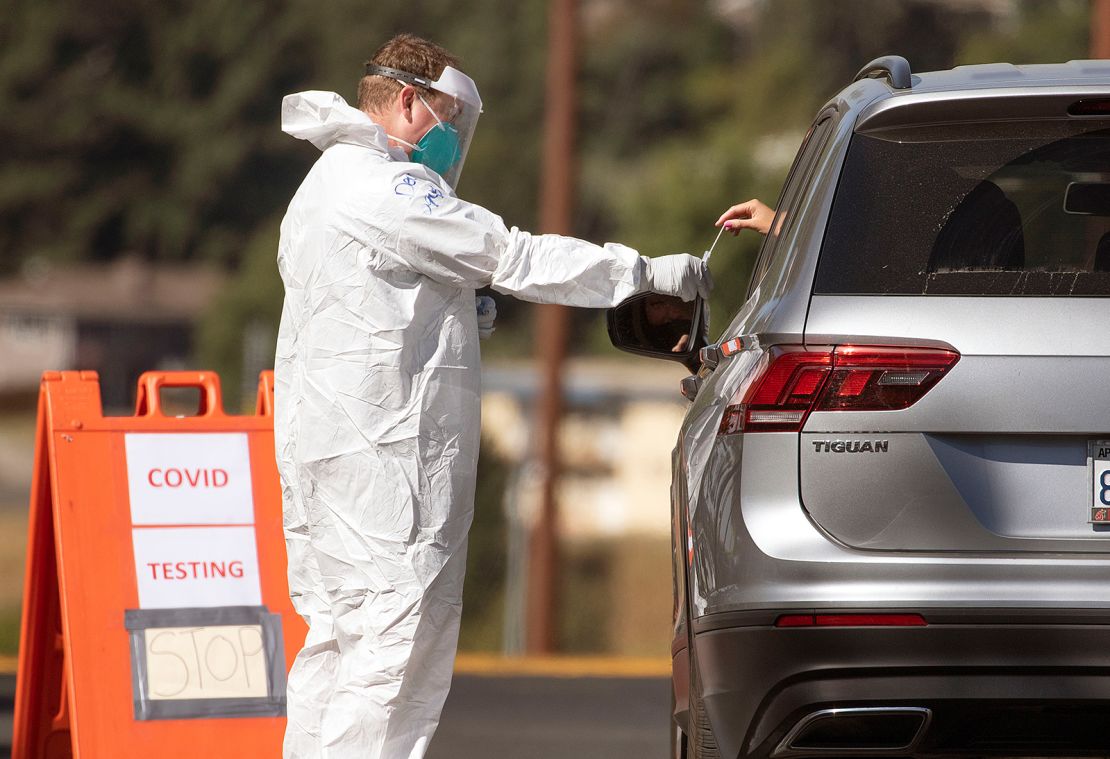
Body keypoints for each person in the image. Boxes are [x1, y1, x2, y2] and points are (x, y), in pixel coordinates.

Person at [274, 33, 711, 759]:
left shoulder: (321, 187)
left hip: (327, 458)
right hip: (387, 467)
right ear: (408, 103)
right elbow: (515, 255)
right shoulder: (387, 189)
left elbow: (371, 303)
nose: (453, 143)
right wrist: (649, 273)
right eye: (448, 120)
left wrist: (451, 305)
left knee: (336, 648)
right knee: (394, 654)